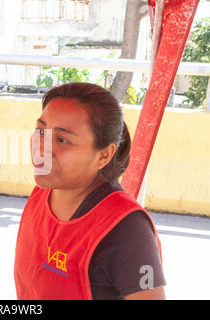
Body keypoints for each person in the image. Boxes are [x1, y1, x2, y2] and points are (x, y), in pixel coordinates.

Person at [14, 82, 166, 300]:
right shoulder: (42, 193)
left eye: (62, 140)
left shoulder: (128, 228)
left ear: (103, 155)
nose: (41, 149)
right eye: (40, 131)